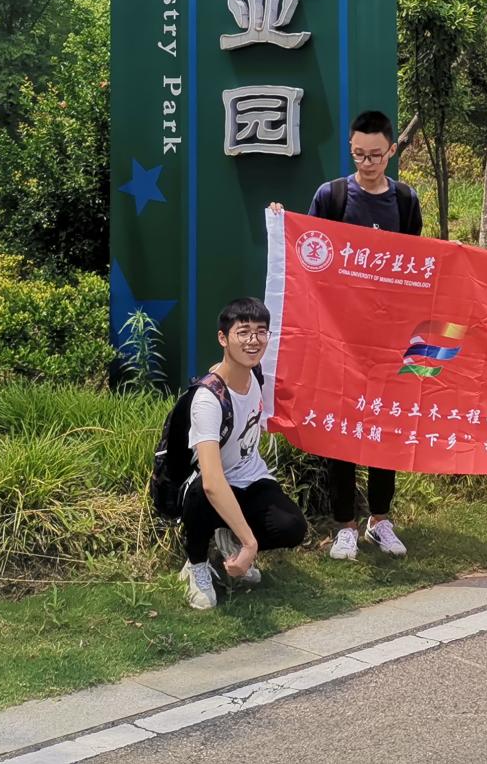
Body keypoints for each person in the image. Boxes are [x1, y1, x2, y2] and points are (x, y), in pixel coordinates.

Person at [305, 109, 421, 560]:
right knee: (342, 428)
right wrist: (280, 220)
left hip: (389, 337)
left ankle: (380, 520)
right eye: (358, 155)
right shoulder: (331, 195)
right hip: (340, 337)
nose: (367, 163)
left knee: (385, 425)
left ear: (391, 151)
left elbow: (415, 266)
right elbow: (307, 252)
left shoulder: (405, 201)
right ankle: (345, 526)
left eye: (375, 155)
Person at [178, 297, 308, 611]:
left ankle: (230, 539)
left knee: (292, 527)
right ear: (223, 338)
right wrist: (251, 544)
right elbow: (212, 481)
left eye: (261, 332)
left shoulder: (255, 372)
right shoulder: (208, 400)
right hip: (210, 486)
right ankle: (196, 564)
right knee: (202, 494)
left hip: (251, 478)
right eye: (244, 332)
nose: (253, 340)